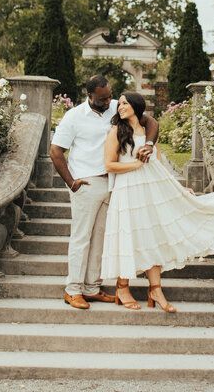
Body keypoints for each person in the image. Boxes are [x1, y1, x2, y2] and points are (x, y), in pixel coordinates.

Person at [101, 91, 214, 312]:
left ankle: (155, 289)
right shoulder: (116, 131)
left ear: (136, 106)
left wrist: (178, 188)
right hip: (127, 189)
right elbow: (109, 165)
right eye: (119, 104)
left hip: (149, 189)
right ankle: (122, 287)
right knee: (127, 234)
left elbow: (158, 167)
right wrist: (135, 166)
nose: (120, 107)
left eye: (125, 103)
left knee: (153, 236)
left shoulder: (147, 133)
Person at [50, 75, 159, 310]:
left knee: (100, 238)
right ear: (90, 96)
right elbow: (55, 151)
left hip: (112, 182)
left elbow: (151, 123)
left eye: (110, 95)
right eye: (103, 98)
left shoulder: (116, 108)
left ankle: (92, 288)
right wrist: (71, 182)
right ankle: (73, 290)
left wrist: (149, 144)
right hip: (86, 183)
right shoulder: (74, 117)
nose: (109, 100)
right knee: (81, 238)